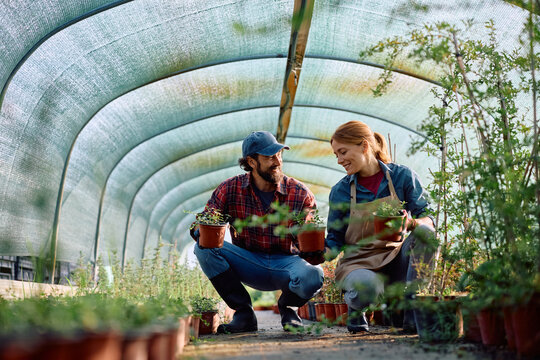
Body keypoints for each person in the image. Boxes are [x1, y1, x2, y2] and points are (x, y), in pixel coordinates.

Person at [192, 131, 324, 334]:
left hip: (286, 265)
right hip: (249, 262)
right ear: (252, 162)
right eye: (270, 157)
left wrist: (314, 246)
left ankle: (289, 308)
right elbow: (205, 220)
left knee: (314, 275)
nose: (277, 161)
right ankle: (244, 314)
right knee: (203, 248)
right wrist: (200, 231)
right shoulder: (230, 188)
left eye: (279, 154)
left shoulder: (299, 192)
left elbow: (308, 231)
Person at [325, 120, 436, 333]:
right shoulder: (340, 191)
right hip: (359, 264)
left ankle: (413, 310)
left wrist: (412, 223)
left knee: (426, 234)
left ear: (364, 146)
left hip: (396, 260)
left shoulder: (402, 177)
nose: (339, 160)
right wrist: (315, 253)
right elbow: (335, 241)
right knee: (365, 287)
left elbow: (429, 218)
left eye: (343, 152)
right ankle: (357, 309)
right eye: (336, 155)